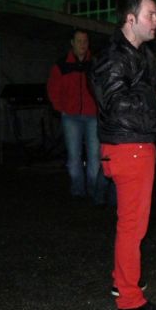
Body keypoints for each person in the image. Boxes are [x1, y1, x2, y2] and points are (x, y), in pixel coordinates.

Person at [90, 0, 156, 310]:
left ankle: (123, 281)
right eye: (151, 15)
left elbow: (151, 84)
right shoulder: (111, 56)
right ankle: (130, 301)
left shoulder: (138, 52)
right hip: (127, 147)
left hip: (136, 145)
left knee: (131, 223)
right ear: (130, 19)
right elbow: (115, 104)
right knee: (133, 225)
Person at [47, 29, 102, 202]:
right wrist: (60, 108)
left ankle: (93, 191)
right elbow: (53, 89)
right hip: (70, 116)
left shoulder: (95, 63)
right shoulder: (61, 65)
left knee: (95, 156)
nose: (82, 45)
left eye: (85, 41)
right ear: (72, 42)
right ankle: (78, 191)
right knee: (73, 157)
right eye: (79, 41)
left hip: (93, 116)